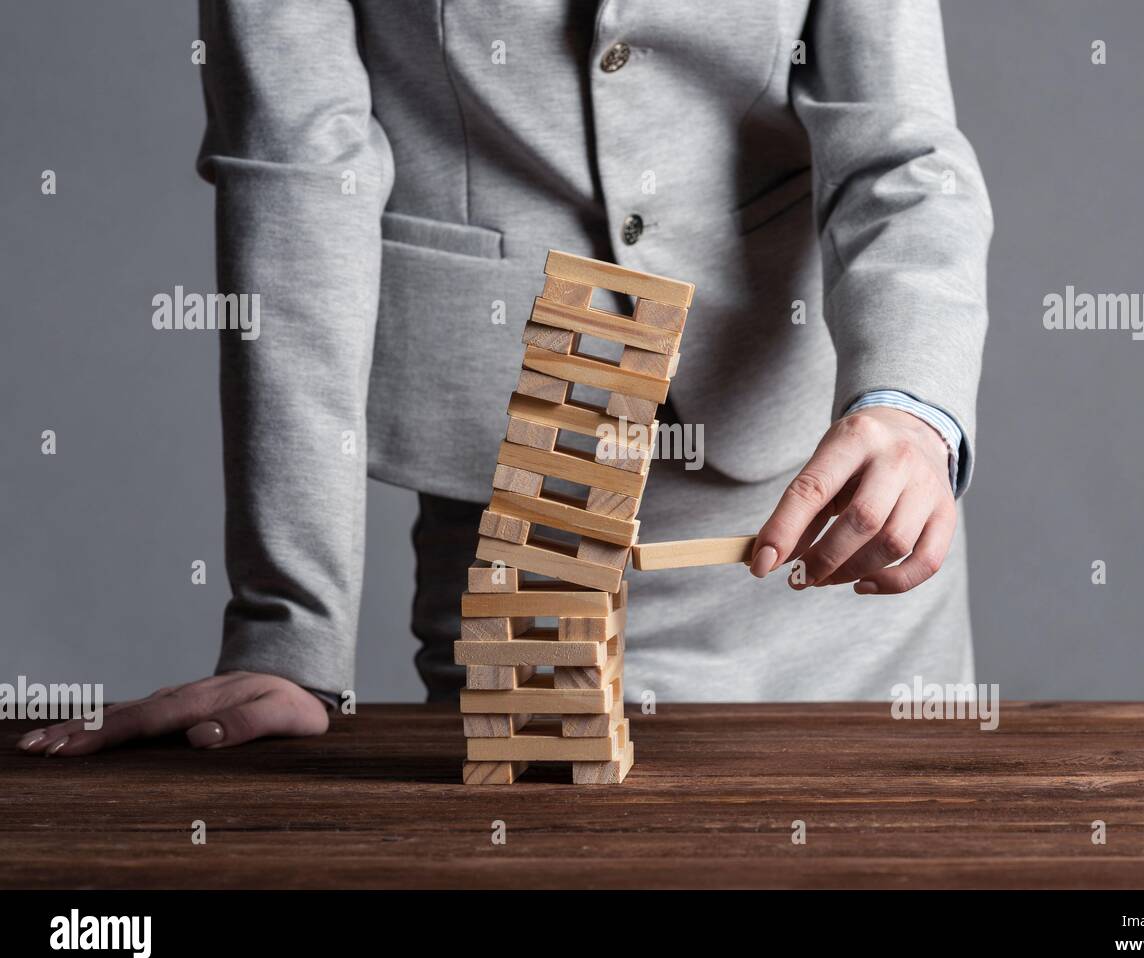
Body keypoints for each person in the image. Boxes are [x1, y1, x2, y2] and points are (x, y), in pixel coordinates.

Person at [18, 0, 991, 758]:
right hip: (522, 531)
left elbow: (900, 149)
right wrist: (290, 631)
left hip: (830, 514)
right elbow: (299, 179)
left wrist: (910, 406)